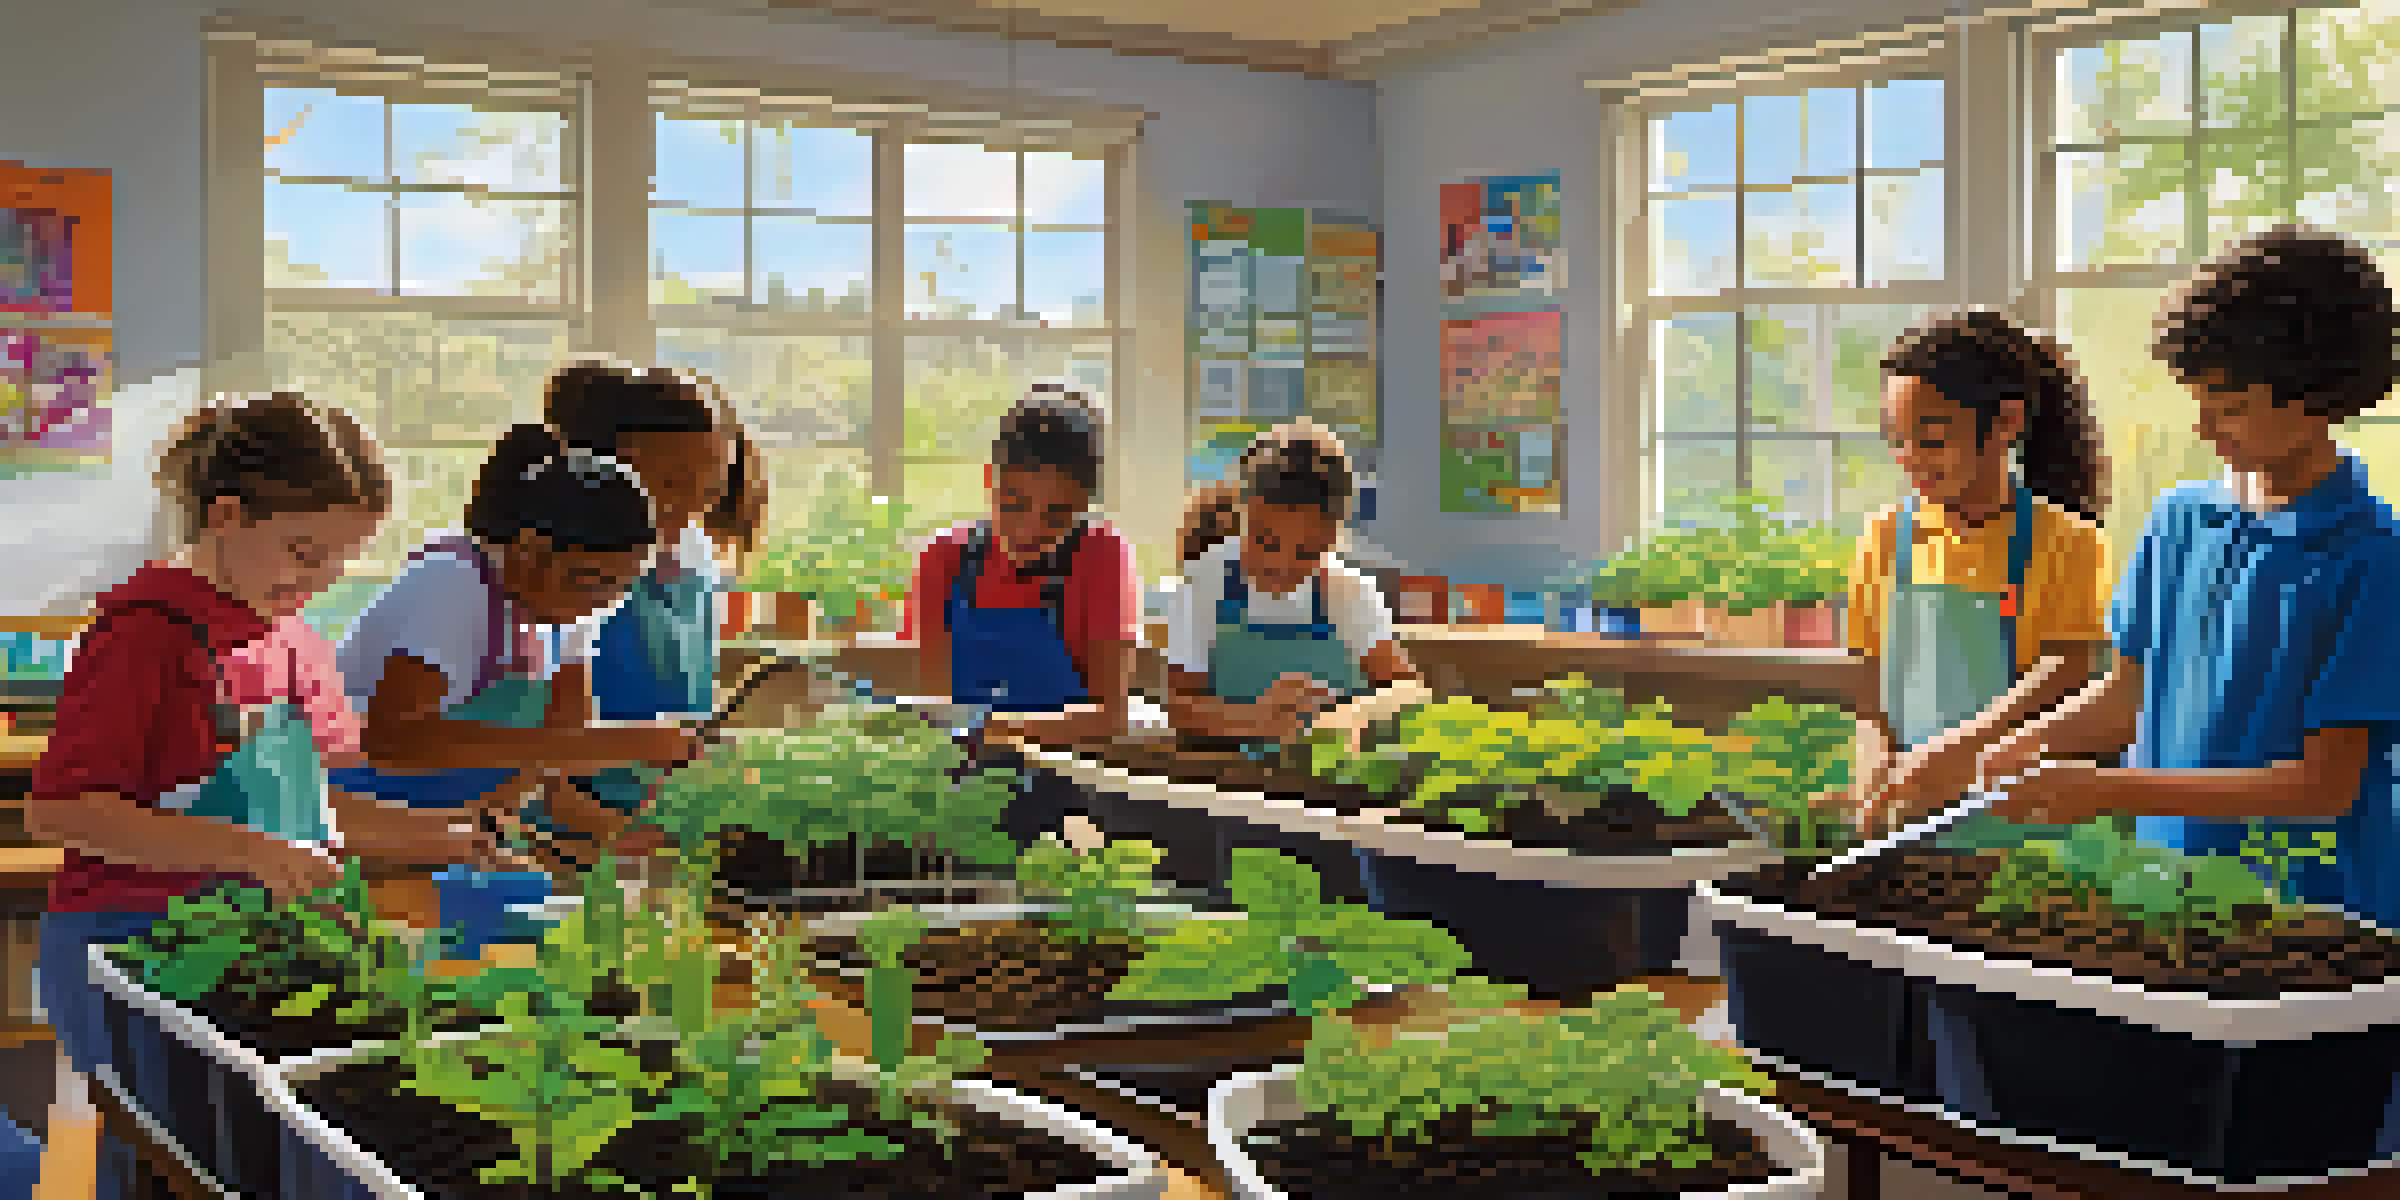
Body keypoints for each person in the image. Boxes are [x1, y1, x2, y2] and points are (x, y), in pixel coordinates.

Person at [25, 391, 401, 1198]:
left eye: (341, 560)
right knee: (159, 1162)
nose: (321, 579)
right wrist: (252, 852)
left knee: (240, 1160)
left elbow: (319, 804)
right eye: (304, 553)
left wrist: (445, 835)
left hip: (244, 946)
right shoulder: (146, 632)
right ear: (226, 515)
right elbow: (59, 810)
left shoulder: (296, 639)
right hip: (128, 951)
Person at [1981, 225, 2400, 927]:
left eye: (2231, 405)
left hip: (2316, 920)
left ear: (2319, 396)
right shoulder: (2179, 521)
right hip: (2169, 899)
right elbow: (2125, 698)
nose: (2207, 427)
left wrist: (2110, 791)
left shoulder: (2372, 557)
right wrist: (2032, 742)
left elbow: (2325, 785)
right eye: (2199, 398)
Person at [328, 424, 695, 873]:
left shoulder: (573, 611)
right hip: (348, 822)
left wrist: (622, 834)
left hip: (450, 836)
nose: (604, 600)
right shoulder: (455, 585)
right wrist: (608, 744)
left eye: (620, 587)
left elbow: (549, 768)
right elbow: (392, 739)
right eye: (593, 579)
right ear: (531, 551)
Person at [1848, 309, 2114, 845]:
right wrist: (1874, 766)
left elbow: (2063, 674)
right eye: (1899, 440)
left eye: (1931, 439)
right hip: (1909, 813)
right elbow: (1871, 685)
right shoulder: (1884, 539)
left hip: (2019, 811)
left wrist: (1955, 756)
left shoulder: (2068, 542)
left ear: (2007, 424)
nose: (1911, 459)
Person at [542, 362, 765, 858]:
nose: (687, 511)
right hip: (567, 834)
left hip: (663, 821)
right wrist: (614, 831)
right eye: (670, 486)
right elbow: (536, 754)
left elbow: (688, 699)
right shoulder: (554, 573)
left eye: (707, 491)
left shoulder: (697, 555)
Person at [1164, 420, 1427, 746]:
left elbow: (1410, 694)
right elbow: (1178, 706)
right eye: (1264, 541)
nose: (1280, 565)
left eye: (1307, 552)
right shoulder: (1206, 579)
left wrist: (1340, 717)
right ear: (1241, 515)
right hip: (1232, 781)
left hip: (1327, 788)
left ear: (1333, 540)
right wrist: (1256, 720)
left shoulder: (1345, 592)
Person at [906, 385, 1139, 750]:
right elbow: (940, 709)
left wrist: (997, 729)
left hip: (1068, 781)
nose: (1030, 530)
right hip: (965, 776)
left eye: (1058, 514)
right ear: (989, 479)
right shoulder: (944, 559)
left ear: (1084, 506)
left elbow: (1110, 717)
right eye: (1015, 503)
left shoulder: (1102, 554)